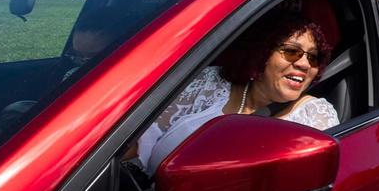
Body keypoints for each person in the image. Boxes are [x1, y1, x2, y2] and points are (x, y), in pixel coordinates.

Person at [136, 9, 341, 173]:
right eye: (291, 52)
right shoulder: (210, 82)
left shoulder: (315, 117)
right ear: (261, 52)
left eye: (314, 57)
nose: (305, 64)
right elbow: (141, 138)